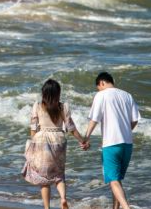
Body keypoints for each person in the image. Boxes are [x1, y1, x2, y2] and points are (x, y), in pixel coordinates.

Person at [23, 79, 89, 209]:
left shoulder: (37, 105)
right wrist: (82, 140)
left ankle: (47, 207)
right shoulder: (63, 106)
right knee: (59, 174)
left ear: (44, 92)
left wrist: (32, 143)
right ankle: (63, 198)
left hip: (42, 140)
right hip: (58, 139)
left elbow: (33, 127)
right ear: (58, 93)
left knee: (44, 179)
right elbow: (71, 128)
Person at [83, 72, 140, 209]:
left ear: (101, 83)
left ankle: (126, 207)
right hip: (127, 144)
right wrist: (125, 131)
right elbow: (135, 119)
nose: (99, 90)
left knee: (113, 181)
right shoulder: (127, 95)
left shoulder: (101, 95)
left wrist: (86, 137)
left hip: (111, 144)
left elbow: (94, 119)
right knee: (117, 180)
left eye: (98, 87)